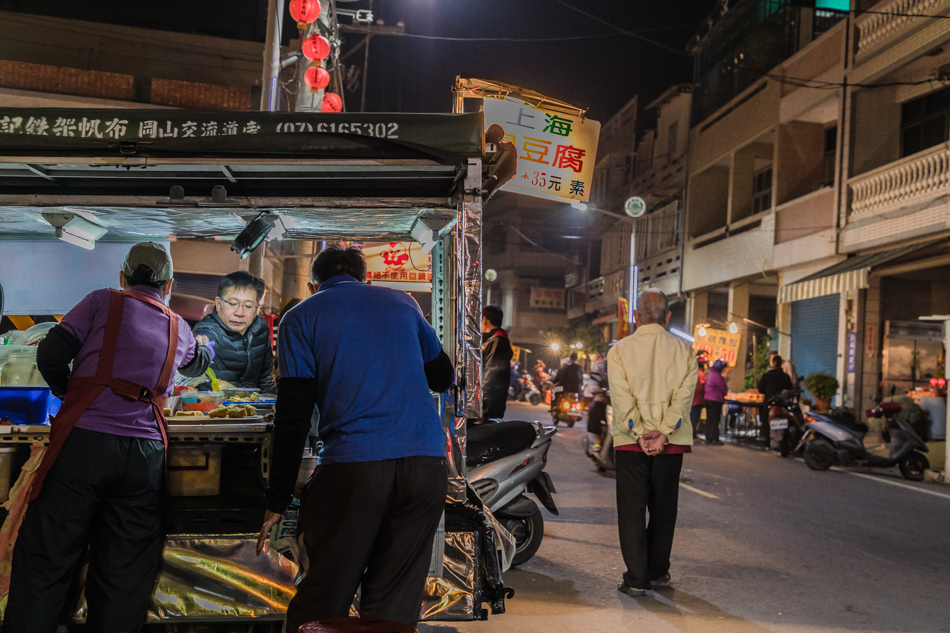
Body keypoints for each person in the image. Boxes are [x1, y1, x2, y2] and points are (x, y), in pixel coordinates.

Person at [6, 242, 214, 632]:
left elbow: (51, 353)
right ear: (169, 285)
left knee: (48, 561)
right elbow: (198, 360)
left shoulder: (101, 301)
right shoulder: (178, 325)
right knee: (124, 571)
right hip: (144, 456)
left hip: (85, 445)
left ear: (122, 277)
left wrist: (73, 394)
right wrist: (208, 348)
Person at [256, 245, 454, 631]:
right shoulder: (404, 304)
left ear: (314, 285)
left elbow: (293, 416)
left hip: (354, 469)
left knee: (324, 597)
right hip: (426, 468)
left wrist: (276, 500)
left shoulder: (300, 317)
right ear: (365, 279)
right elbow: (443, 376)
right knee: (392, 605)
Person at [607, 288, 697, 598]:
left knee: (631, 509)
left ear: (635, 317)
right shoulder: (685, 351)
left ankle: (636, 578)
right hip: (670, 443)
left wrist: (640, 432)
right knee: (664, 508)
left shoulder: (619, 351)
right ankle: (658, 573)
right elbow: (684, 398)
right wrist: (664, 432)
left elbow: (621, 399)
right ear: (668, 316)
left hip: (631, 444)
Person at [193, 271, 275, 393]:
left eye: (248, 306)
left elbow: (266, 378)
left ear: (257, 308)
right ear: (218, 302)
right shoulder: (207, 329)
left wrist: (271, 408)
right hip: (215, 408)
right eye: (232, 304)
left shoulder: (260, 328)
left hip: (252, 408)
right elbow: (203, 338)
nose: (239, 313)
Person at [481, 305, 513, 420]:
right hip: (491, 402)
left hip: (489, 405)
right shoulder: (494, 341)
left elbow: (491, 376)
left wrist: (481, 402)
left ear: (484, 319)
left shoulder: (497, 342)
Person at [757, 353, 794, 447]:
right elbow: (790, 388)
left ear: (773, 363)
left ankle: (767, 443)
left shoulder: (767, 375)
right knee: (784, 421)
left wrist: (768, 392)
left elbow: (760, 388)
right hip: (782, 403)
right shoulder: (786, 377)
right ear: (781, 363)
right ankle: (782, 443)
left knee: (767, 422)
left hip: (769, 402)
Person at [704, 359, 730, 445]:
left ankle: (708, 437)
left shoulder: (710, 374)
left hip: (707, 399)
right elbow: (724, 389)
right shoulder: (718, 377)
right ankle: (715, 438)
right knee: (715, 420)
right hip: (715, 400)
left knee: (709, 419)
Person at [691, 351, 709, 439]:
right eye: (705, 363)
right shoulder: (700, 374)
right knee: (694, 418)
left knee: (694, 417)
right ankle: (692, 435)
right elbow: (701, 387)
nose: (707, 365)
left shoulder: (697, 372)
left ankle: (693, 434)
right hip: (697, 399)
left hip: (695, 399)